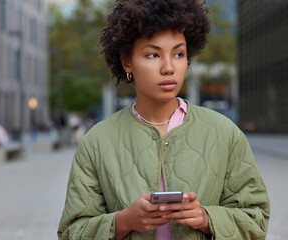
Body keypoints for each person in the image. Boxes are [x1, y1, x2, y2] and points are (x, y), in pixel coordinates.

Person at [58, 0, 270, 239]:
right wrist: (123, 221)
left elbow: (256, 219)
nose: (169, 67)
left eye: (178, 53)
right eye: (153, 54)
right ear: (127, 61)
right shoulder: (96, 142)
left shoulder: (224, 134)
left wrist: (206, 218)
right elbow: (71, 232)